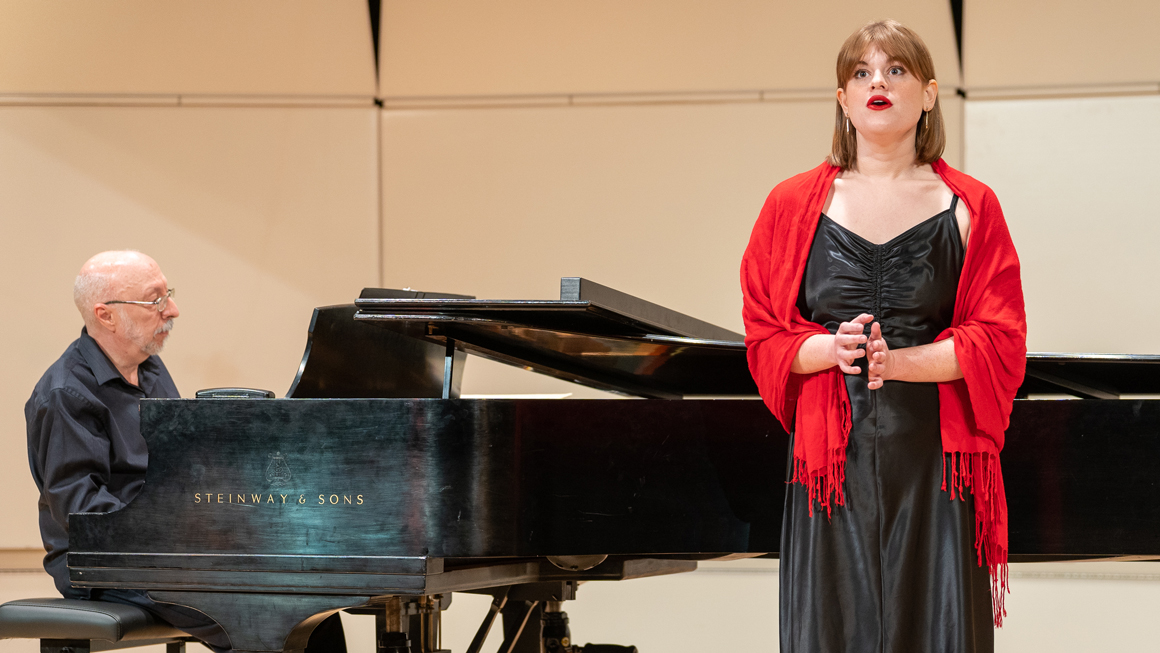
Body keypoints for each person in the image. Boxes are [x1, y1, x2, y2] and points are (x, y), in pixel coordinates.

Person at [741, 20, 1027, 653]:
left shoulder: (971, 205)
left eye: (896, 71)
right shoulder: (790, 206)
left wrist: (896, 364)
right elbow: (763, 334)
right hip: (828, 466)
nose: (878, 83)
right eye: (861, 73)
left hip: (936, 461)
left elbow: (1001, 339)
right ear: (842, 99)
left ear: (927, 94)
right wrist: (830, 350)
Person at [26, 250, 345, 652]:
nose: (172, 310)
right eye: (154, 300)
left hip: (170, 552)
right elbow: (83, 512)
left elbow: (181, 473)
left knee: (313, 603)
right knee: (263, 612)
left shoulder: (152, 371)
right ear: (105, 315)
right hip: (105, 566)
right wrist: (181, 538)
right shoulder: (66, 393)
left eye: (168, 295)